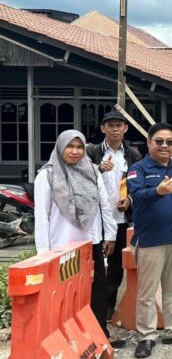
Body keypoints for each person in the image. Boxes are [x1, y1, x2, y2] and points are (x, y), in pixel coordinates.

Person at [34, 130, 117, 342]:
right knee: (66, 295)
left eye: (79, 147)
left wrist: (110, 234)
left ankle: (98, 336)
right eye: (70, 146)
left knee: (96, 290)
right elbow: (42, 216)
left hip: (91, 243)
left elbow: (104, 204)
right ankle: (69, 339)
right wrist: (43, 253)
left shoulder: (91, 171)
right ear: (61, 147)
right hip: (62, 247)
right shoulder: (47, 175)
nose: (75, 151)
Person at [127, 123, 172, 358]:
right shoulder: (139, 169)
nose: (165, 146)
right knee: (147, 292)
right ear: (149, 143)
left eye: (170, 142)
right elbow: (136, 195)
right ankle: (146, 336)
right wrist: (156, 191)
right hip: (150, 240)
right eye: (159, 141)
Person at [86, 110, 142, 325]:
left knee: (116, 267)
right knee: (95, 265)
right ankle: (91, 306)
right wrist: (98, 169)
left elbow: (138, 183)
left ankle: (107, 307)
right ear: (103, 129)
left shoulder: (132, 154)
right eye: (110, 125)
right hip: (95, 220)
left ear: (126, 129)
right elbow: (80, 174)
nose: (115, 129)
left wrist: (129, 200)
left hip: (120, 219)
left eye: (119, 125)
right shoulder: (92, 152)